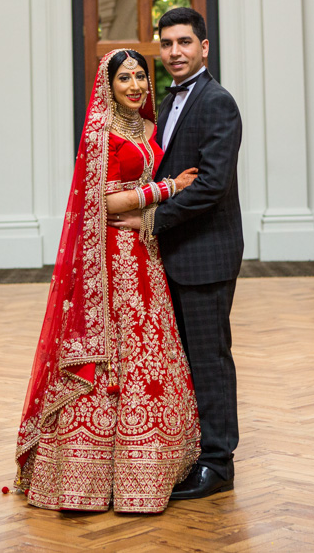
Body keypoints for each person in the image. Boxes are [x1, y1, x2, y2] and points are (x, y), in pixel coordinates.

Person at [14, 49, 202, 513]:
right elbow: (102, 203)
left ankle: (147, 473)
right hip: (111, 259)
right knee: (112, 356)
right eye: (125, 78)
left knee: (149, 351)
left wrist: (153, 210)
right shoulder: (103, 131)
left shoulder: (147, 129)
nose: (136, 85)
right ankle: (85, 480)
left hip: (145, 253)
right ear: (109, 85)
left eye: (141, 76)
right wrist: (169, 188)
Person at [110, 8, 244, 500]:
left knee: (208, 358)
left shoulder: (217, 102)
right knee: (182, 359)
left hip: (205, 254)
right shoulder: (166, 102)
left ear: (204, 47)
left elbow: (210, 186)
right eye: (166, 44)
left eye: (184, 42)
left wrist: (148, 218)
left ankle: (217, 463)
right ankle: (191, 450)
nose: (174, 52)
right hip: (170, 255)